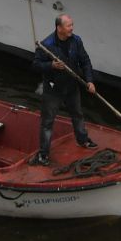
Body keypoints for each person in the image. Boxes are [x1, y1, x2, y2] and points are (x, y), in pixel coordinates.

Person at [31, 14, 97, 164]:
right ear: (59, 28)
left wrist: (90, 81)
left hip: (72, 86)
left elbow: (85, 61)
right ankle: (44, 154)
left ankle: (83, 140)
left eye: (72, 25)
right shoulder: (46, 45)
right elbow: (35, 65)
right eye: (69, 26)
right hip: (53, 89)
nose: (72, 28)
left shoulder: (76, 41)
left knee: (78, 114)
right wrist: (51, 66)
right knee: (47, 122)